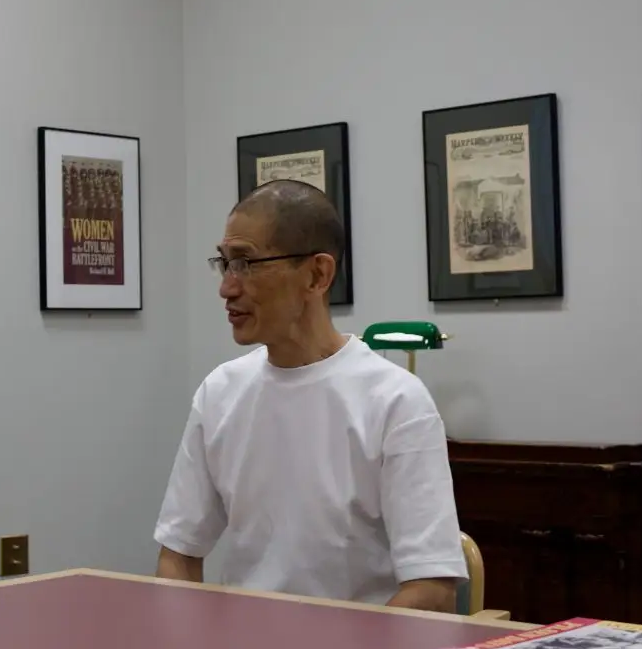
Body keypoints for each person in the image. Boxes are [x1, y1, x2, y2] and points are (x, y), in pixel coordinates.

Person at [153, 180, 467, 611]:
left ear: (317, 275)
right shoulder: (220, 393)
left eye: (246, 263)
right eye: (224, 264)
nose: (227, 288)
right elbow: (178, 555)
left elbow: (432, 589)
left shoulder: (395, 401)